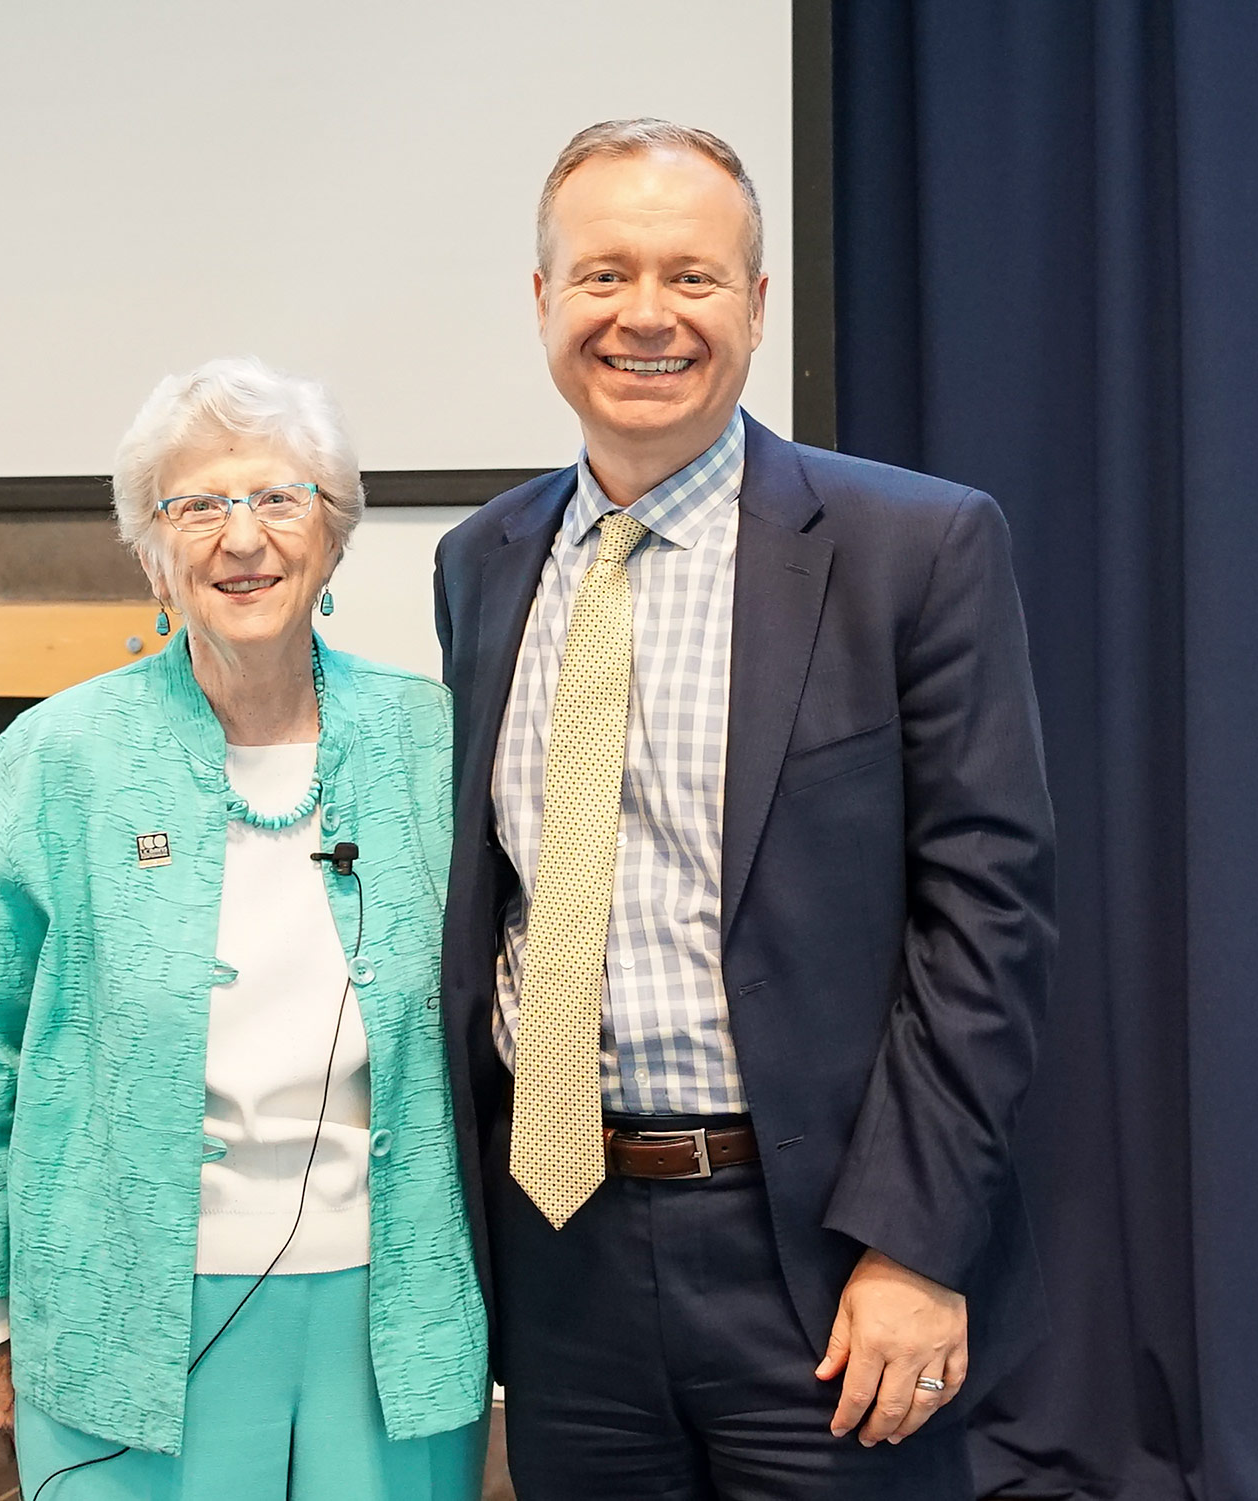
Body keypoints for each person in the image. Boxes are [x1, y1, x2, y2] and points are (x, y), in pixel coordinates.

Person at [433, 119, 1057, 1499]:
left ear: (757, 305)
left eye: (692, 277)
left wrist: (913, 1244)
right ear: (542, 302)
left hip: (823, 1260)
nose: (644, 315)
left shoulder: (916, 548)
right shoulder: (480, 562)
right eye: (602, 275)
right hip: (560, 1246)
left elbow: (987, 926)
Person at [0, 356, 488, 1501]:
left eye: (277, 498)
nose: (243, 537)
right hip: (119, 1311)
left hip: (396, 1309)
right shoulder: (58, 760)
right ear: (149, 551)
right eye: (199, 504)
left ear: (332, 535)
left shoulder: (434, 741)